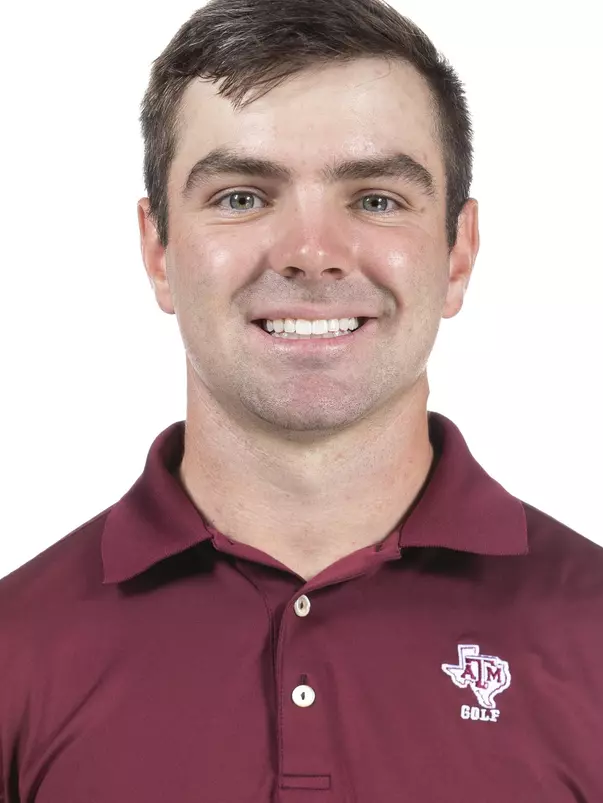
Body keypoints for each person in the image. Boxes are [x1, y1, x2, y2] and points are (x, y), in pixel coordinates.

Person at [1, 0, 601, 799]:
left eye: (377, 198)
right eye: (242, 196)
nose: (311, 254)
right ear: (158, 250)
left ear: (457, 252)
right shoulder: (17, 647)